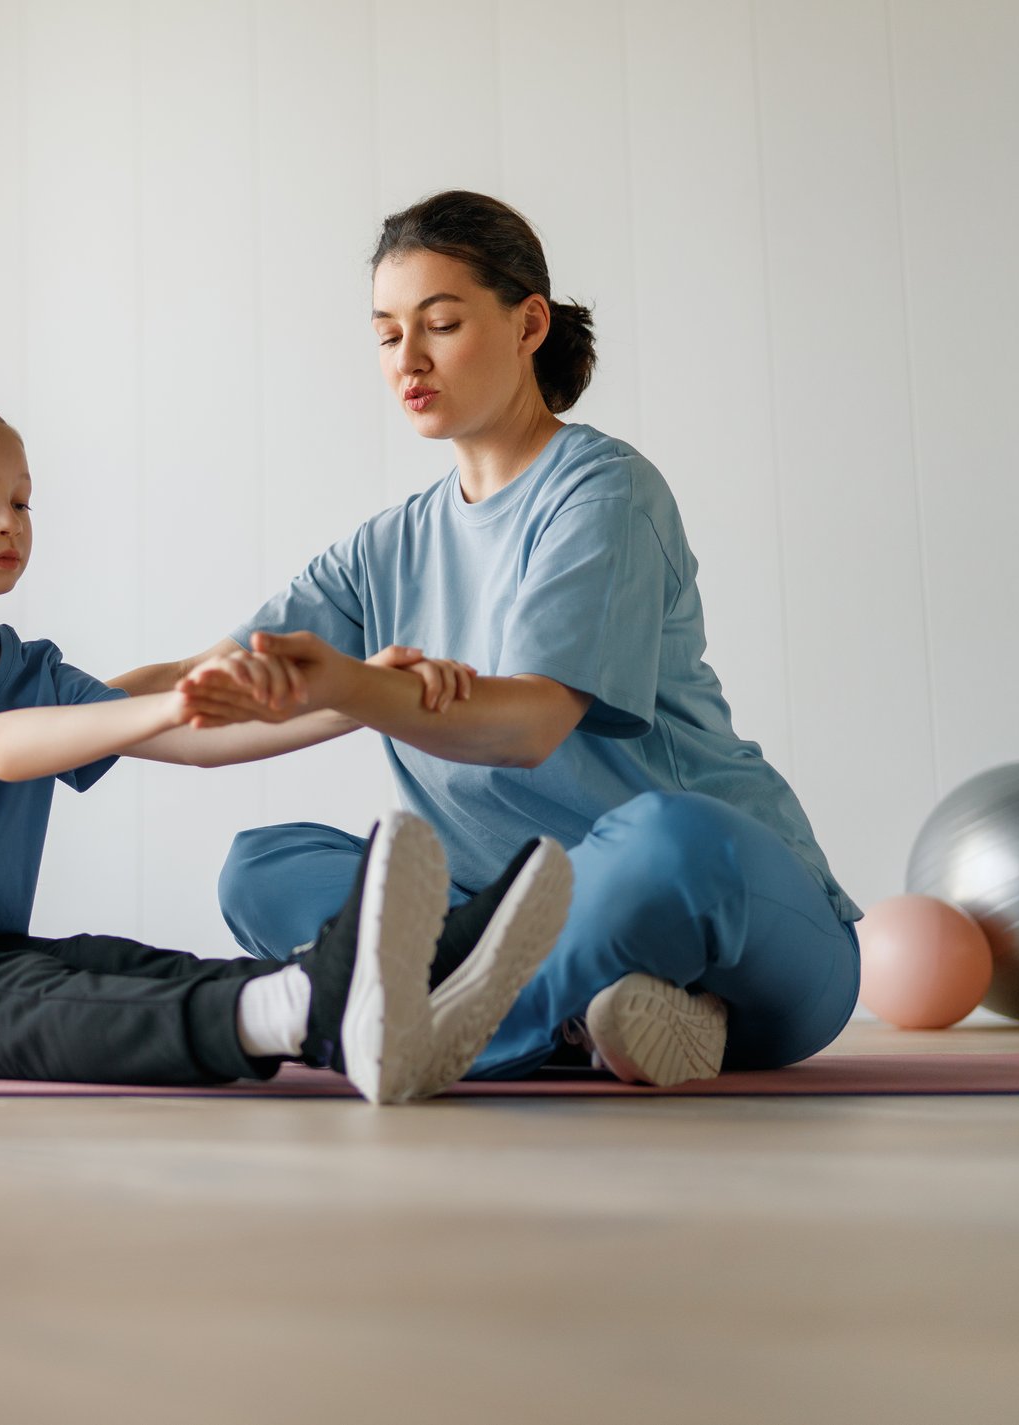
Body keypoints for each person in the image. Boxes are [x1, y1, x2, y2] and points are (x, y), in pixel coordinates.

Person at [114, 191, 862, 1087]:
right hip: (502, 920)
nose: (409, 360)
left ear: (528, 323)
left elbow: (530, 726)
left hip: (740, 922)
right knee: (263, 867)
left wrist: (350, 685)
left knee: (666, 840)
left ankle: (458, 1023)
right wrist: (6, 715)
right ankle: (582, 1015)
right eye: (388, 335)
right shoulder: (384, 548)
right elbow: (211, 681)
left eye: (439, 323)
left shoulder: (603, 491)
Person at [0, 394, 572, 1104]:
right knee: (18, 1003)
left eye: (22, 503)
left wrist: (365, 697)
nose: (8, 523)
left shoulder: (30, 670)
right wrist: (164, 698)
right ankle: (306, 1007)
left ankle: (417, 972)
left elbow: (198, 742)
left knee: (118, 965)